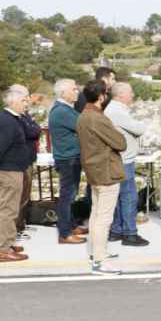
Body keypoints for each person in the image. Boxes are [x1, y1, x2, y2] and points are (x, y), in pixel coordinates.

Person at [76, 80, 127, 275]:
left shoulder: (83, 116)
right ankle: (99, 261)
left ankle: (97, 251)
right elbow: (120, 142)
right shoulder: (98, 118)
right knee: (104, 218)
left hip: (93, 170)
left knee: (96, 214)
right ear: (101, 96)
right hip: (106, 171)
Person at [0, 87, 34, 262]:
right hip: (9, 171)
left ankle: (6, 242)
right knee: (8, 211)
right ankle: (4, 250)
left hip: (12, 170)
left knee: (9, 210)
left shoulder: (9, 119)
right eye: (23, 101)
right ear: (13, 102)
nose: (26, 103)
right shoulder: (8, 121)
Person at [105, 82, 149, 246]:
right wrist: (142, 125)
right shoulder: (117, 112)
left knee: (119, 197)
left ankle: (117, 230)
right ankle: (130, 233)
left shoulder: (114, 109)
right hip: (124, 161)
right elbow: (139, 129)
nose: (133, 96)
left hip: (120, 159)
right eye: (130, 93)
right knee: (129, 197)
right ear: (121, 95)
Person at [74, 67, 117, 225]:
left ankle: (89, 215)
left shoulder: (84, 96)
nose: (114, 83)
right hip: (98, 152)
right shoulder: (99, 103)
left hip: (88, 151)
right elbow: (119, 141)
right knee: (99, 194)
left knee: (93, 189)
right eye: (112, 79)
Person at [49, 79, 87, 245]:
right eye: (74, 88)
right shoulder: (62, 111)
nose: (77, 91)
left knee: (71, 195)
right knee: (67, 196)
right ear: (64, 93)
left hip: (71, 158)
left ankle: (70, 225)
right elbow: (85, 124)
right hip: (68, 159)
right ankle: (64, 233)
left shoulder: (65, 109)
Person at [9, 84, 41, 241]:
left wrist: (34, 128)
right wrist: (34, 128)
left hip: (28, 159)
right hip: (21, 162)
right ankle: (14, 230)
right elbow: (32, 131)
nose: (28, 99)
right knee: (19, 197)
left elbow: (36, 130)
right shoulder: (16, 117)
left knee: (25, 196)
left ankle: (20, 226)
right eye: (25, 96)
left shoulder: (25, 114)